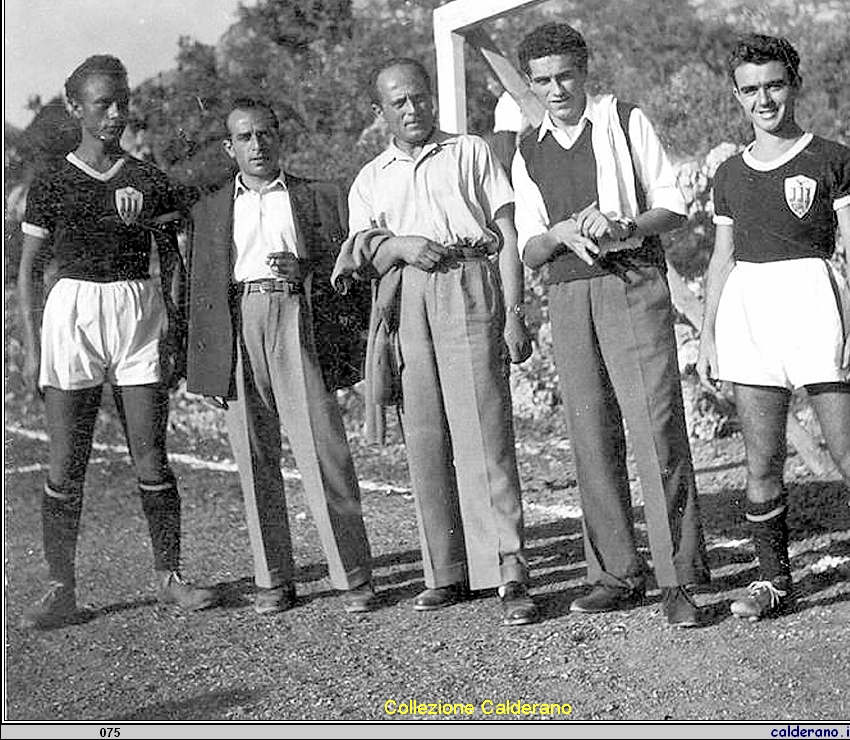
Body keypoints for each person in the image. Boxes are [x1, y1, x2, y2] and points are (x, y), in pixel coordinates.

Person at [696, 33, 850, 635]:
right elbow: (721, 259)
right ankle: (773, 581)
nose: (763, 99)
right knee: (761, 460)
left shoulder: (831, 158)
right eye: (749, 90)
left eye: (773, 85)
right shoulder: (729, 174)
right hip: (750, 312)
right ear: (736, 97)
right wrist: (711, 334)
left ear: (793, 83)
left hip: (816, 303)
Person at [510, 22, 710, 627]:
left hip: (632, 281)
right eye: (542, 80)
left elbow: (674, 205)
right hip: (568, 295)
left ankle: (678, 580)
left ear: (585, 68)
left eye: (565, 74)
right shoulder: (527, 147)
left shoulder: (623, 120)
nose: (556, 88)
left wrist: (621, 224)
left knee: (655, 429)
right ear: (531, 83)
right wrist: (558, 234)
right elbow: (527, 244)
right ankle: (616, 574)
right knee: (591, 436)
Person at [17, 55, 217, 629]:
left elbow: (176, 259)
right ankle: (61, 587)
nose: (114, 114)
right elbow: (32, 269)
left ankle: (169, 576)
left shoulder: (148, 179)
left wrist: (176, 328)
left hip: (136, 310)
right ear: (75, 108)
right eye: (102, 103)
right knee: (64, 462)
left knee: (151, 455)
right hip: (73, 313)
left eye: (121, 101)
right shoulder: (52, 181)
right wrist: (32, 346)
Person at [338, 58, 538, 626]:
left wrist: (514, 314)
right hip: (408, 301)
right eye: (398, 102)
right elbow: (360, 252)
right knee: (424, 434)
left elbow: (506, 235)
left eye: (419, 97)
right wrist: (398, 245)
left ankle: (507, 572)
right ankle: (444, 572)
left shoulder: (470, 151)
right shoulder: (371, 177)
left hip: (469, 283)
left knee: (485, 430)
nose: (412, 109)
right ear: (380, 112)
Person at [185, 98, 376, 615]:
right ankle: (273, 579)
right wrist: (207, 369)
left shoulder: (319, 197)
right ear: (230, 148)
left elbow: (350, 277)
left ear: (280, 138)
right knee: (254, 458)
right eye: (245, 138)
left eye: (266, 134)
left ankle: (352, 577)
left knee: (325, 450)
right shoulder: (209, 209)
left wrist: (307, 271)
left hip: (297, 317)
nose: (258, 145)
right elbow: (199, 291)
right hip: (239, 325)